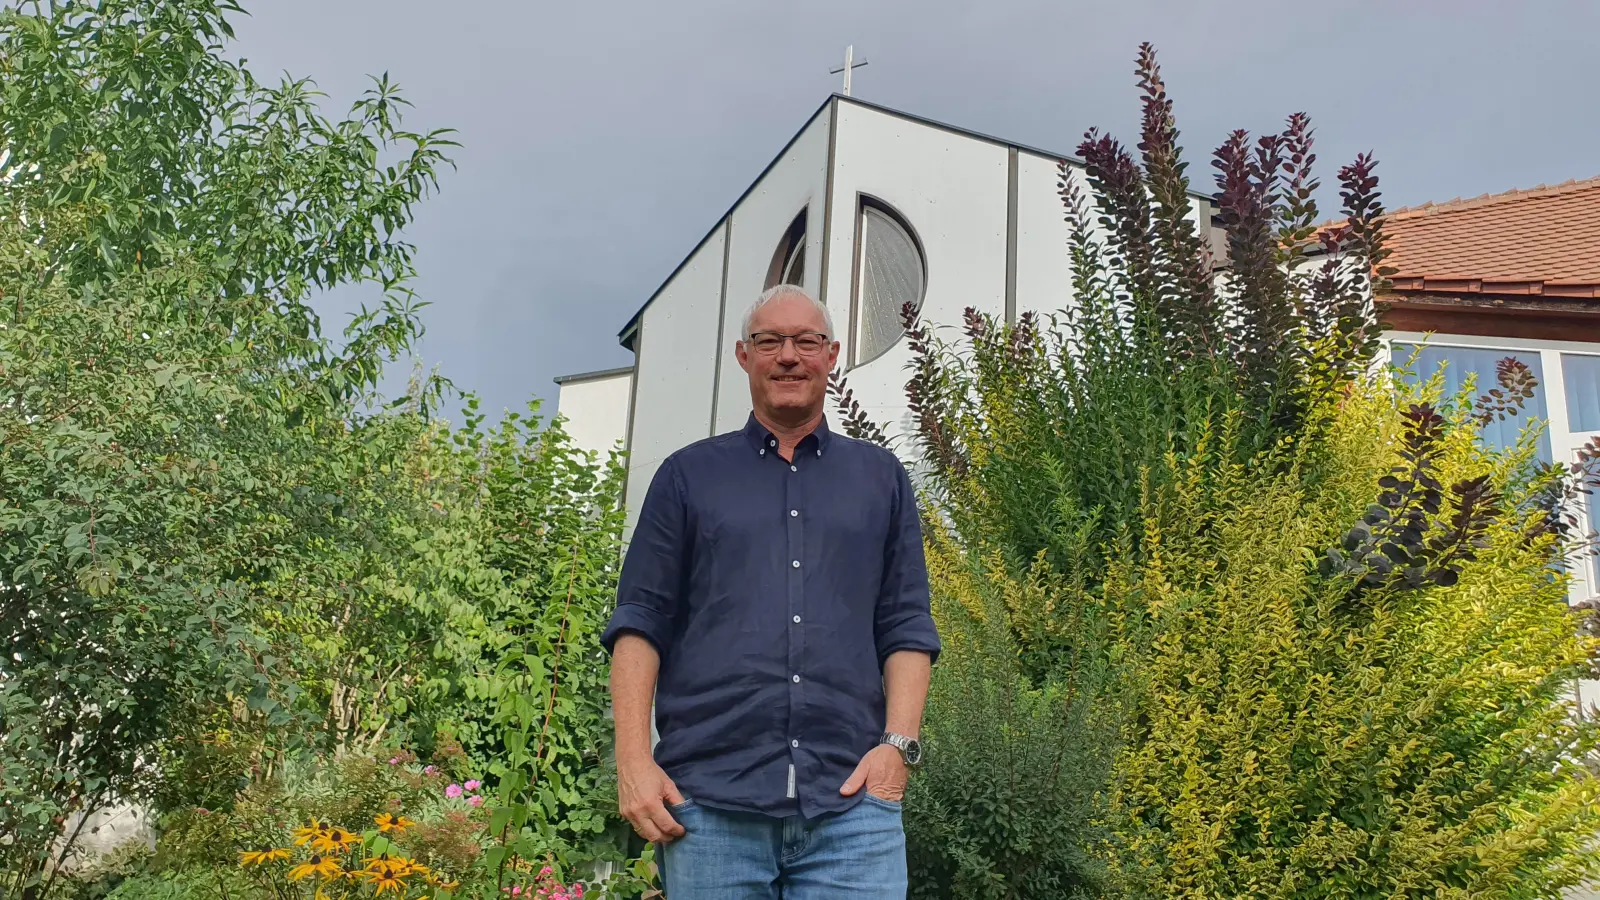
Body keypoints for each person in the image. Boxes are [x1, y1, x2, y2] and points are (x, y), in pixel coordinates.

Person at [601, 284, 941, 899]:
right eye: (770, 341)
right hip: (708, 805)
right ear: (743, 355)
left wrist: (898, 749)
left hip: (853, 809)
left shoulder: (881, 478)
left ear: (831, 355)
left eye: (806, 341)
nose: (789, 355)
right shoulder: (687, 477)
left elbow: (907, 624)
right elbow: (639, 623)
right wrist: (633, 762)